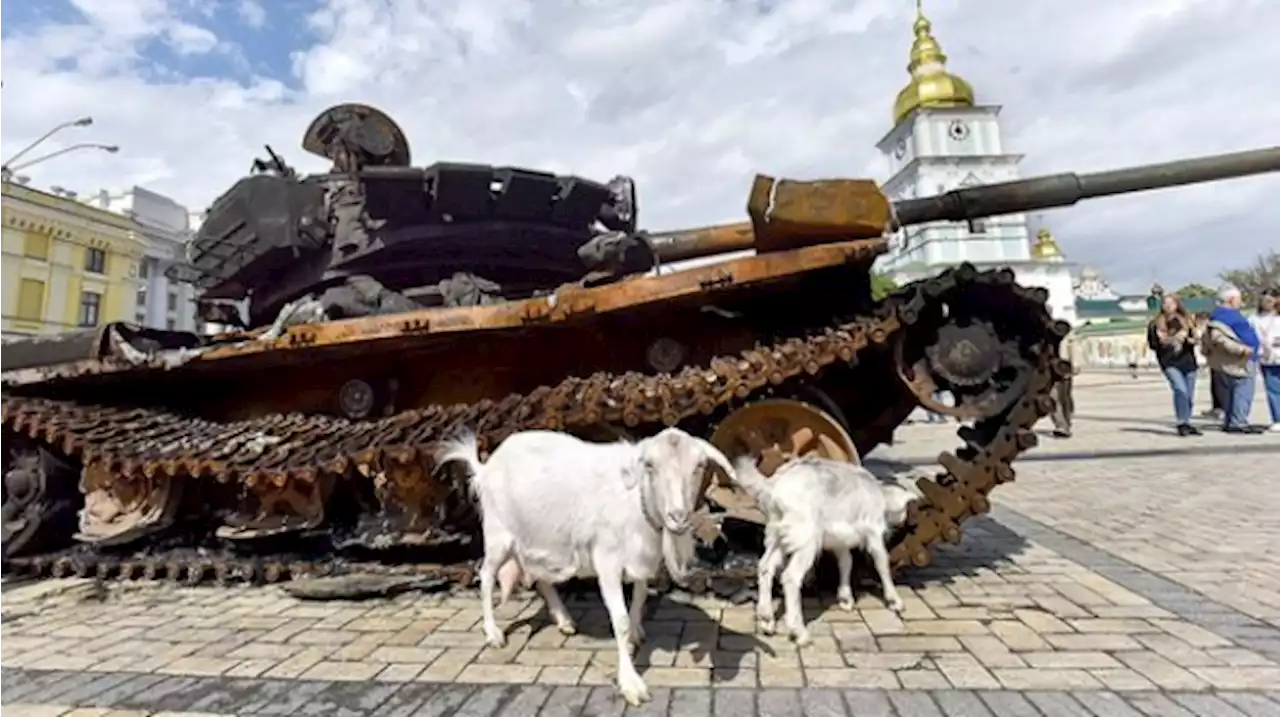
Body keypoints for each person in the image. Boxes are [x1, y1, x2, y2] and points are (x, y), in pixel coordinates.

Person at [1202, 286, 1263, 433]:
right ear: (1231, 300)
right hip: (1240, 359)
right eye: (1239, 299)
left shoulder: (1216, 316)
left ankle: (1230, 421)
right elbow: (1221, 339)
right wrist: (1244, 350)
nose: (1240, 302)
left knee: (1230, 392)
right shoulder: (1228, 317)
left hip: (1228, 360)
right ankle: (1238, 422)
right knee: (1243, 391)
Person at [1147, 294, 1202, 436]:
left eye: (1171, 303)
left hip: (1188, 361)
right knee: (1180, 390)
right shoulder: (1155, 324)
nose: (1168, 306)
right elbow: (1153, 345)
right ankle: (1181, 422)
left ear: (1177, 304)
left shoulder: (1187, 321)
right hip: (1169, 361)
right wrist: (1166, 341)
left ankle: (1187, 422)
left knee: (1189, 395)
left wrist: (1188, 339)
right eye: (1165, 303)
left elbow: (1195, 339)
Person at [1251, 292, 1280, 431]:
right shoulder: (1254, 319)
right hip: (1267, 359)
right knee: (1273, 389)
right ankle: (1278, 418)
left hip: (1274, 354)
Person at [1050, 329, 1082, 438]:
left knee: (1064, 397)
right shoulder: (1045, 333)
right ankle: (1060, 425)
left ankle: (1067, 421)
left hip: (1064, 370)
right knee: (1052, 398)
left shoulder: (1067, 335)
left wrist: (1075, 364)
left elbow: (1074, 349)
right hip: (1049, 371)